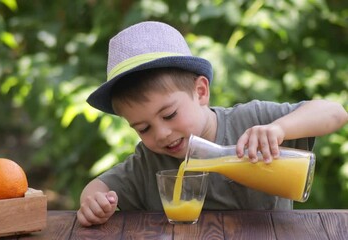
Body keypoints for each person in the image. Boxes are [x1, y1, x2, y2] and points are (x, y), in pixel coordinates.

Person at [77, 21, 348, 226]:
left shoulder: (252, 120)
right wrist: (94, 203)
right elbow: (97, 187)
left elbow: (335, 113)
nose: (161, 134)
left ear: (201, 91)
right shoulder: (148, 162)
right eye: (143, 128)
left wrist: (280, 129)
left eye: (169, 115)